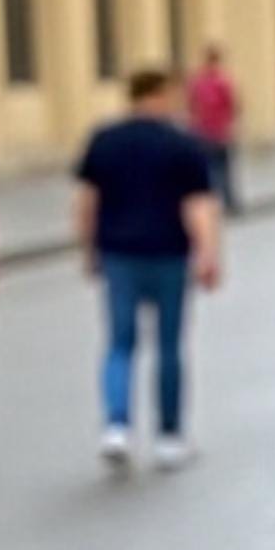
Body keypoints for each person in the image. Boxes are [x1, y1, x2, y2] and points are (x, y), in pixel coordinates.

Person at [74, 68, 221, 470]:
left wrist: (89, 249)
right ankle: (168, 436)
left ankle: (117, 425)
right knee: (169, 345)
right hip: (168, 254)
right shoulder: (183, 145)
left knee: (120, 343)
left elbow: (87, 201)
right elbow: (197, 206)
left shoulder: (104, 141)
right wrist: (208, 254)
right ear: (161, 94)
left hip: (119, 254)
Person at [184, 43, 239, 213]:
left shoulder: (208, 81)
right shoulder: (216, 80)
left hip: (213, 130)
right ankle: (223, 201)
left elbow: (231, 105)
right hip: (208, 130)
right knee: (218, 168)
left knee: (218, 168)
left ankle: (224, 201)